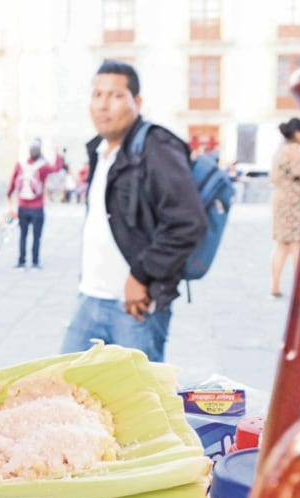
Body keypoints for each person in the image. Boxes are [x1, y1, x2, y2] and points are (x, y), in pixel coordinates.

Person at [59, 60, 206, 363]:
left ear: (136, 102)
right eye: (97, 95)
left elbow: (188, 222)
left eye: (114, 96)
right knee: (65, 388)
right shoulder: (100, 150)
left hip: (134, 306)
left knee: (137, 402)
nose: (103, 105)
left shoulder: (156, 146)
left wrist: (141, 275)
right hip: (90, 297)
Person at [5, 138, 64, 270]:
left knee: (23, 235)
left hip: (22, 206)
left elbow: (12, 183)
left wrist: (9, 196)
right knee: (37, 236)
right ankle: (35, 261)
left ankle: (21, 261)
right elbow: (56, 168)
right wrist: (58, 154)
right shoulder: (43, 166)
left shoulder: (20, 165)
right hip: (37, 208)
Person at [269, 116, 300, 298]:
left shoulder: (281, 150)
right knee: (295, 244)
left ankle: (274, 286)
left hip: (279, 199)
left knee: (282, 245)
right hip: (292, 201)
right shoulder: (294, 151)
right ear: (298, 133)